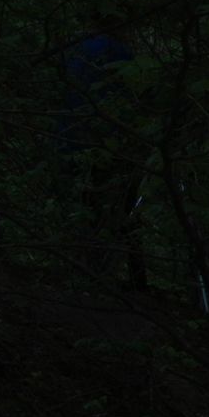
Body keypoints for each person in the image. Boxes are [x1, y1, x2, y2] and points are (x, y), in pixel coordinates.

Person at [59, 20, 145, 288]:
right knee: (114, 211)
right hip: (110, 144)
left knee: (84, 209)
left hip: (71, 141)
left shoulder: (74, 50)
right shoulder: (119, 52)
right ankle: (106, 280)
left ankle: (84, 275)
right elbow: (136, 95)